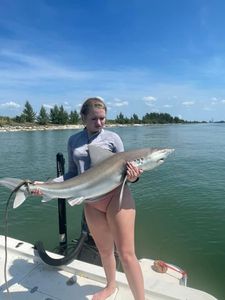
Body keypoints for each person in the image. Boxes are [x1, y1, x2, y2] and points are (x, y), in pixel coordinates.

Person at [35, 97, 145, 300]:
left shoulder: (113, 138)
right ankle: (110, 286)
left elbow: (126, 171)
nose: (100, 123)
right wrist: (47, 186)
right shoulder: (73, 140)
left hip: (116, 197)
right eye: (94, 119)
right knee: (104, 250)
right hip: (91, 201)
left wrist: (134, 176)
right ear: (83, 118)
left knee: (127, 254)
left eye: (103, 118)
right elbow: (72, 174)